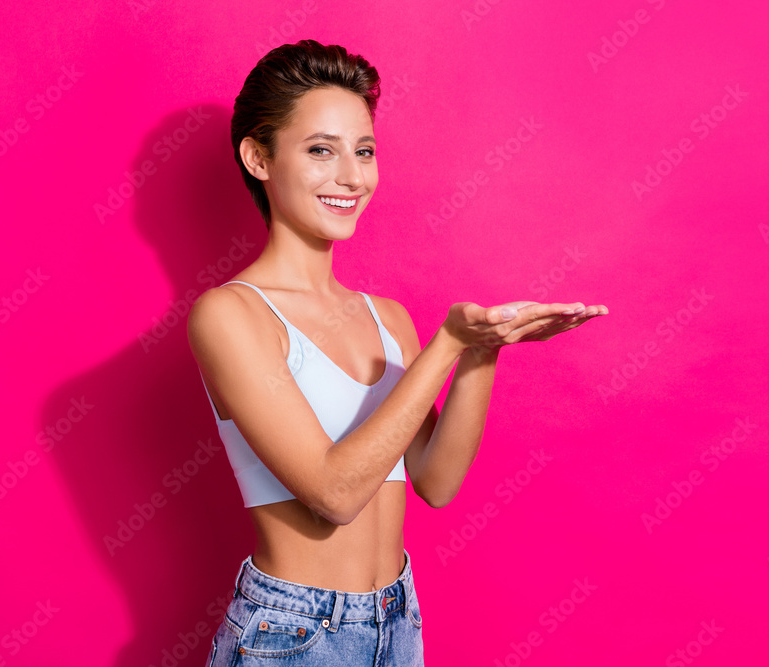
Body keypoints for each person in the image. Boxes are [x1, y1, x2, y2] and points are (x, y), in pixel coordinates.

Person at [187, 39, 608, 666]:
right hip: (293, 634)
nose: (352, 177)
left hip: (397, 619)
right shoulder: (230, 315)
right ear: (258, 157)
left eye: (364, 151)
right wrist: (448, 343)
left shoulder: (387, 319)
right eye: (321, 150)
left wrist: (481, 353)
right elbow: (333, 494)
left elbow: (435, 482)